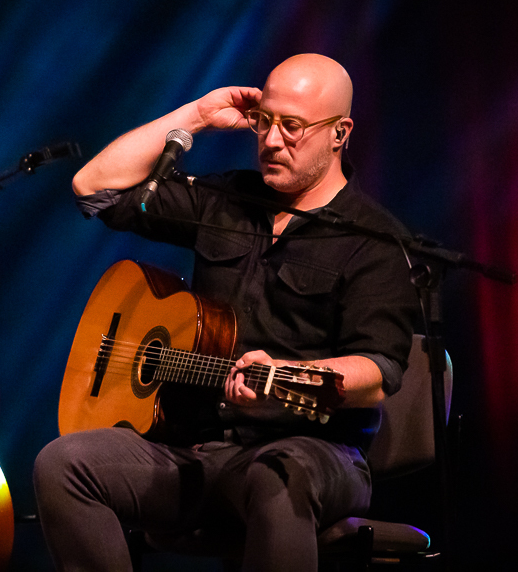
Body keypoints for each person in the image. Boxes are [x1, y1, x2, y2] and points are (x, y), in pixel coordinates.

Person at [33, 54, 419, 571]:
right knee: (63, 465)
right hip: (200, 450)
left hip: (314, 452)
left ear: (340, 132)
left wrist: (284, 377)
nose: (272, 140)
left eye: (294, 127)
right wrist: (194, 115)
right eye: (265, 121)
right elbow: (95, 189)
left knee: (278, 474)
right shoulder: (227, 199)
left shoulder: (374, 240)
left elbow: (378, 372)